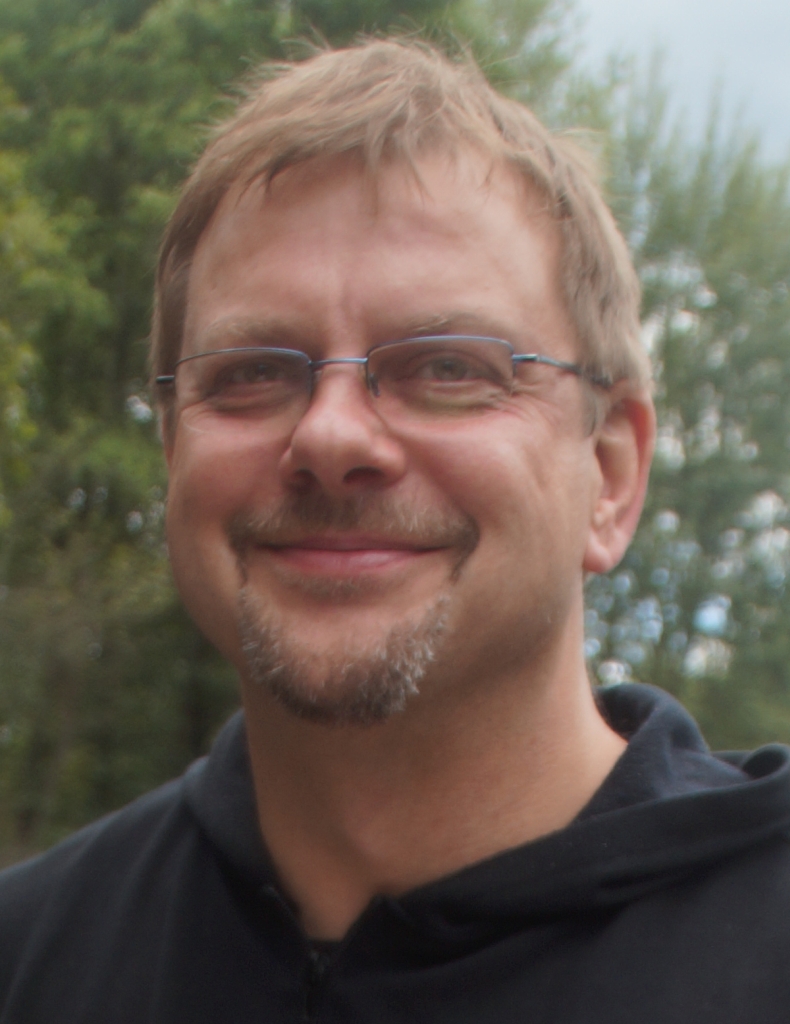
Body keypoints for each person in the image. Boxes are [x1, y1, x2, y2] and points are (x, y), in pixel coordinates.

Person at [1, 38, 790, 1024]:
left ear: (611, 473)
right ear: (172, 452)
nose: (331, 437)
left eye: (448, 368)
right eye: (252, 373)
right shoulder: (28, 962)